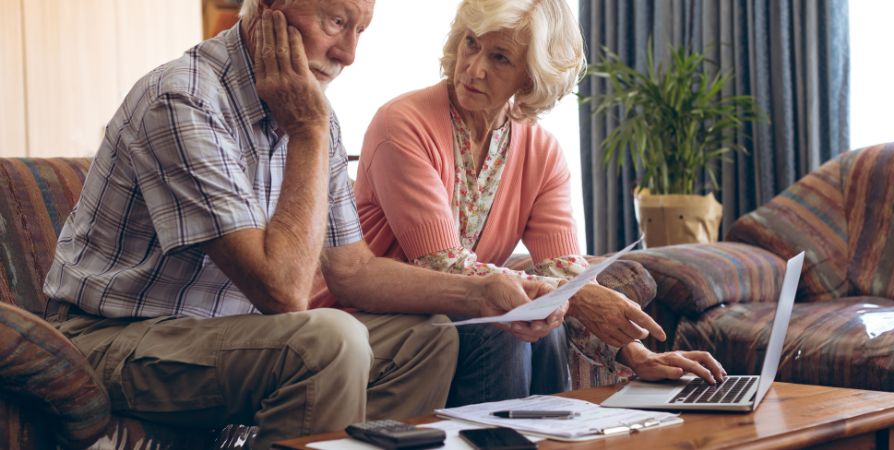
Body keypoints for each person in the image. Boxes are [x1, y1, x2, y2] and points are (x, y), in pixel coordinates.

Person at [41, 1, 568, 448]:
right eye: (337, 22)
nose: (349, 54)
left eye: (360, 31)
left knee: (427, 338)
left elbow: (353, 271)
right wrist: (309, 132)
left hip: (220, 337)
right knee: (328, 340)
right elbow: (284, 292)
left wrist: (482, 296)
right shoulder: (184, 99)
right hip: (112, 339)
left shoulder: (315, 115)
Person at [341, 0, 727, 405]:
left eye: (500, 57)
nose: (474, 68)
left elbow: (564, 270)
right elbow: (442, 265)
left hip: (455, 314)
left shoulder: (541, 151)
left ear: (530, 79)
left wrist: (635, 354)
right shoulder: (402, 123)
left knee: (542, 325)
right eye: (471, 44)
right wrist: (571, 297)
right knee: (504, 325)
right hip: (375, 312)